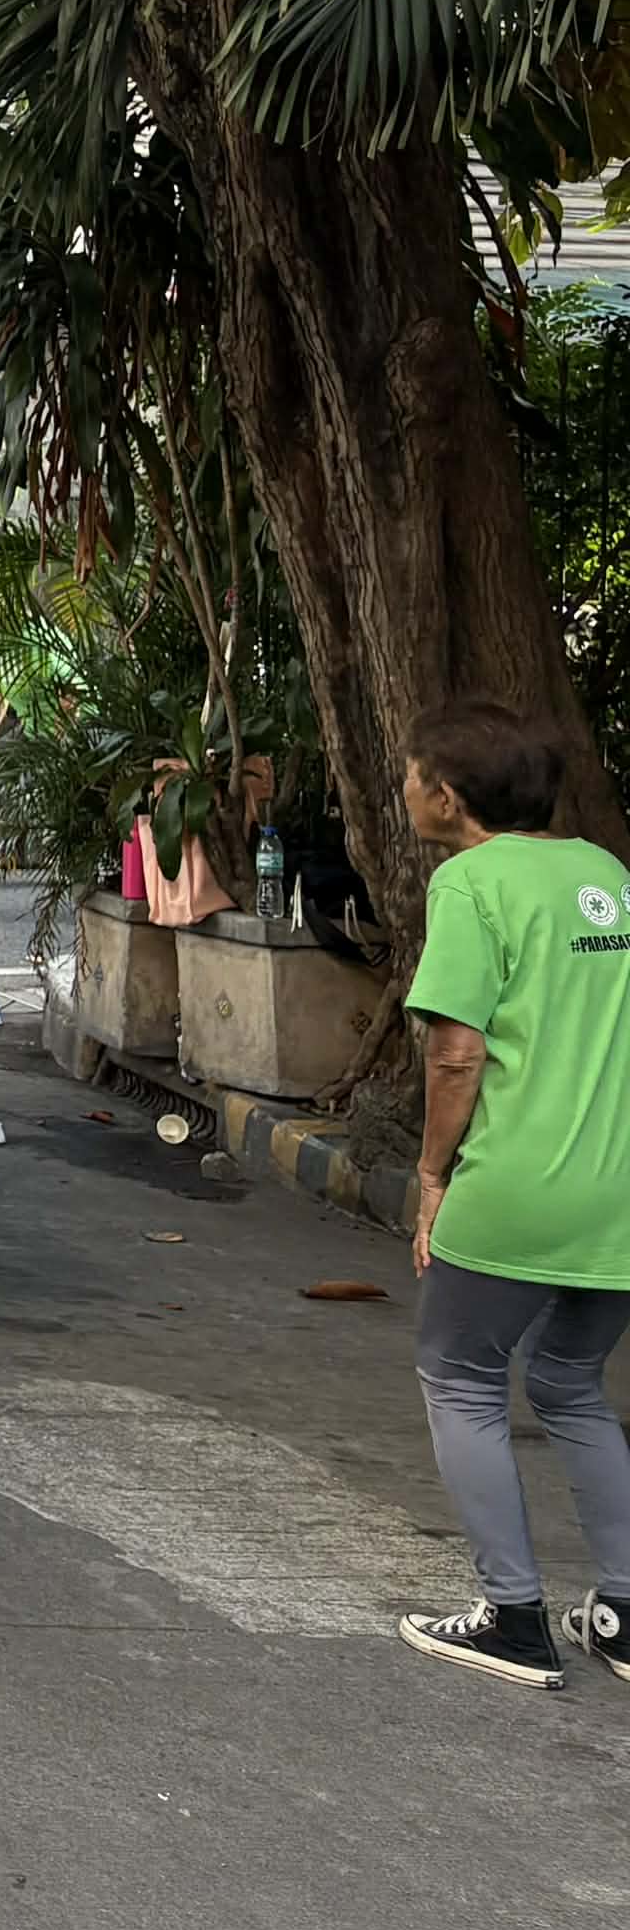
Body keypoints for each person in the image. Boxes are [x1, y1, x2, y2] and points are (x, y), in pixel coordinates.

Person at [392, 704, 630, 1689]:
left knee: (457, 1378)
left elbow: (456, 1052)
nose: (402, 787)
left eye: (409, 773)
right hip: (615, 1187)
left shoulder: (469, 883)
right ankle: (621, 1610)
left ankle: (515, 1617)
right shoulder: (605, 875)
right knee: (574, 1386)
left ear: (445, 796)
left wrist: (432, 1175)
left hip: (515, 1183)